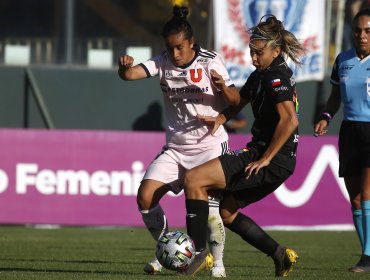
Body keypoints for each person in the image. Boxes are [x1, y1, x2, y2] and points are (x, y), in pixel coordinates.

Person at [118, 5, 240, 278]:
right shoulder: (162, 62)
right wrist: (123, 68)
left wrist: (222, 88)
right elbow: (129, 75)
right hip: (176, 148)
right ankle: (168, 251)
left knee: (210, 211)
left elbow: (236, 101)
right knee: (145, 197)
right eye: (169, 48)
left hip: (209, 146)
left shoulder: (210, 62)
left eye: (179, 48)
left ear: (191, 43)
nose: (174, 54)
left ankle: (217, 264)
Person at [181, 15, 304, 276]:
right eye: (251, 51)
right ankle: (280, 254)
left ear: (276, 50)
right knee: (226, 212)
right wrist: (221, 117)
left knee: (194, 179)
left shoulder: (276, 76)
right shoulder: (263, 74)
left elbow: (290, 120)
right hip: (274, 159)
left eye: (259, 53)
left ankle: (200, 252)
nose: (253, 58)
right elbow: (240, 100)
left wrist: (267, 157)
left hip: (269, 158)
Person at [314, 7, 370, 273]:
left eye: (368, 31)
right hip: (350, 131)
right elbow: (336, 96)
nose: (362, 35)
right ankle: (366, 251)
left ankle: (368, 257)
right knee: (356, 198)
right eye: (358, 30)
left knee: (368, 194)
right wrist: (326, 116)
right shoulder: (343, 59)